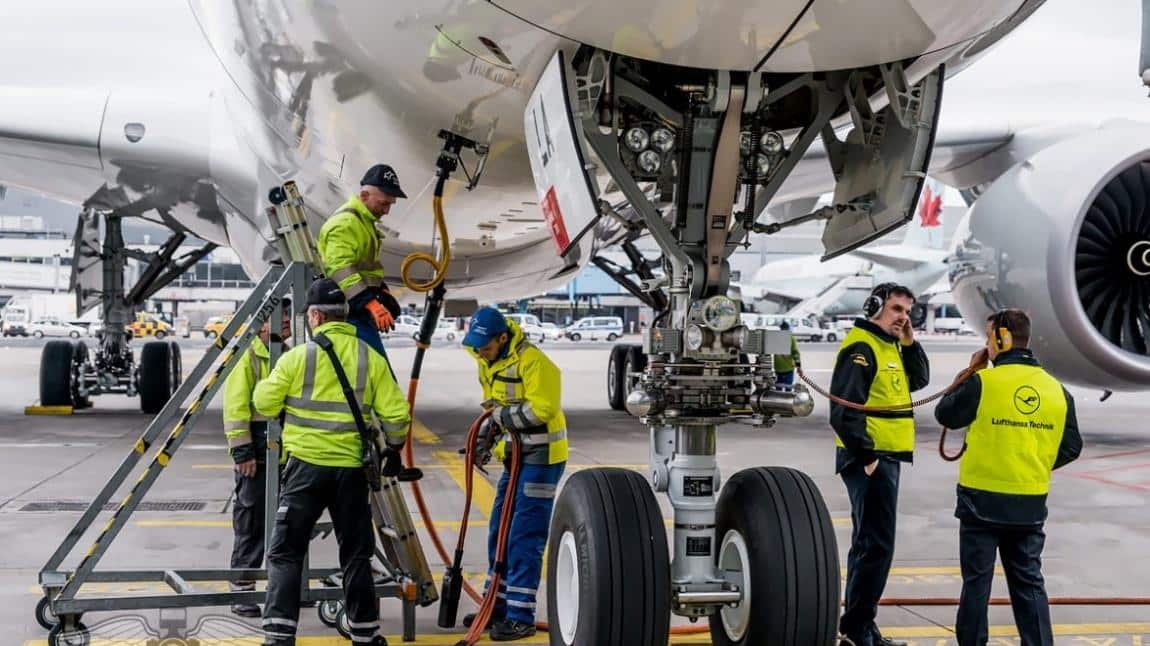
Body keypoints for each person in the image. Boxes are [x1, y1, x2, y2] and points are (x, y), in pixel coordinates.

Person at [253, 278, 410, 646]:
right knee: (356, 554)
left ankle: (278, 636)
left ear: (316, 316)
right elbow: (397, 416)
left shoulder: (298, 358)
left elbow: (263, 403)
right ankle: (365, 634)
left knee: (286, 553)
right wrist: (393, 447)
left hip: (305, 469)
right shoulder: (368, 358)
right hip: (351, 472)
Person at [934, 309, 1082, 646]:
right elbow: (1072, 447)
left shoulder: (983, 383)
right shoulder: (1057, 390)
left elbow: (946, 414)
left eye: (988, 337)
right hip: (1029, 505)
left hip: (980, 502)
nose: (986, 344)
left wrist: (971, 371)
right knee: (1029, 583)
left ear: (1001, 339)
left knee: (977, 583)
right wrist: (1032, 463)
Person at [830, 283, 930, 646]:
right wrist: (868, 457)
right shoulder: (862, 348)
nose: (903, 317)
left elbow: (919, 380)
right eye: (897, 309)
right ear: (874, 306)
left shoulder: (887, 346)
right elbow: (844, 412)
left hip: (886, 458)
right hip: (872, 460)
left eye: (908, 312)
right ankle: (859, 629)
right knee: (876, 547)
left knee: (869, 545)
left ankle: (859, 627)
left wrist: (909, 340)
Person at [461, 307, 568, 641]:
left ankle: (520, 616)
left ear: (503, 338)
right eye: (477, 347)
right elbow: (495, 402)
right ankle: (497, 605)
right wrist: (488, 437)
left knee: (524, 535)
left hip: (542, 457)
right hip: (515, 455)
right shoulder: (486, 358)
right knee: (500, 528)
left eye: (486, 347)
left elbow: (543, 408)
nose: (481, 353)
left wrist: (500, 418)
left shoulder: (533, 361)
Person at [222, 299, 292, 617]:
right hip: (257, 448)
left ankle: (287, 587)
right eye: (280, 316)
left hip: (283, 449)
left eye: (288, 315)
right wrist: (242, 451)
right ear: (262, 324)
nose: (286, 320)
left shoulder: (287, 354)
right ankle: (242, 590)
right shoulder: (248, 355)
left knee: (286, 521)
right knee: (250, 520)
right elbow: (235, 408)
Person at [318, 164, 406, 359]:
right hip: (350, 315)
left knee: (373, 370)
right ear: (364, 196)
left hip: (358, 311)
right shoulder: (345, 224)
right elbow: (340, 270)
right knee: (378, 371)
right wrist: (371, 304)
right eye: (383, 203)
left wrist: (381, 291)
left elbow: (365, 270)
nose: (387, 210)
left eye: (390, 204)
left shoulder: (362, 222)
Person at [773, 320, 801, 387]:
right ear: (788, 328)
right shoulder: (791, 338)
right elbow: (795, 353)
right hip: (788, 368)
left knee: (778, 389)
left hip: (778, 368)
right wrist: (798, 366)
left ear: (781, 329)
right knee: (788, 389)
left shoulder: (775, 338)